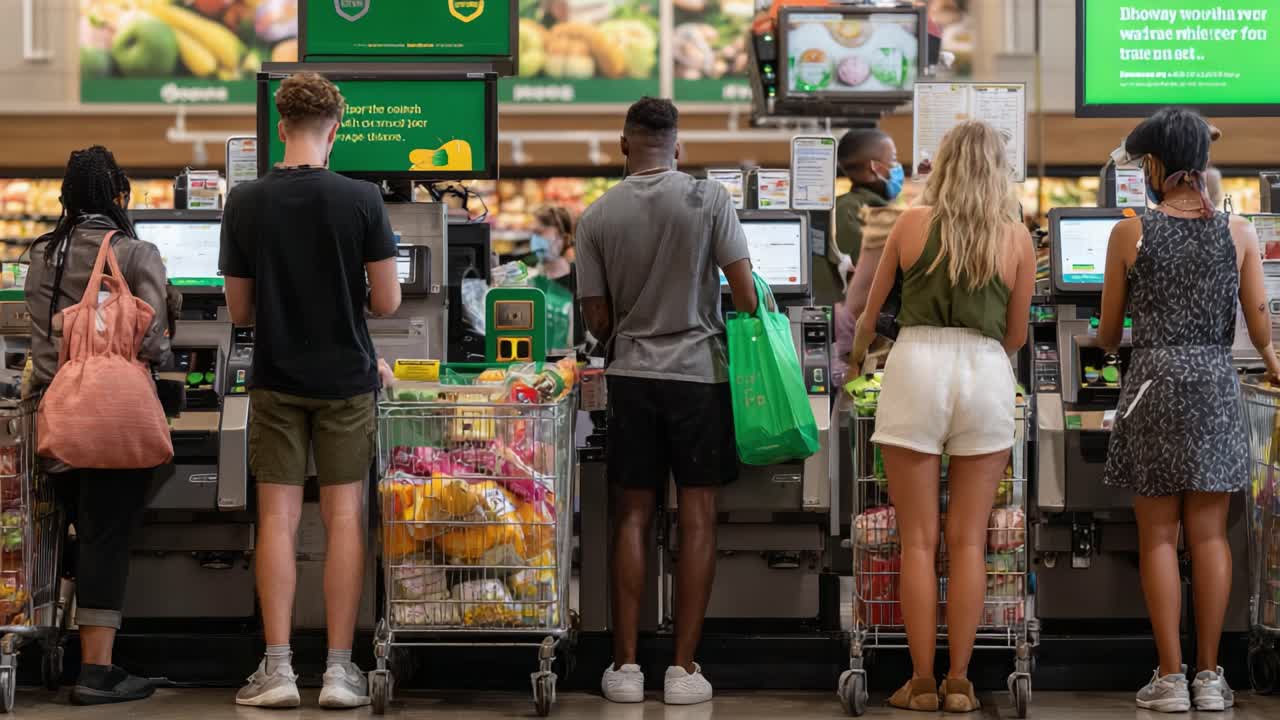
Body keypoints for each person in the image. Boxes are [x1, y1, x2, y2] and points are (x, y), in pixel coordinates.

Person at [219, 72, 402, 710]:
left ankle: (276, 670)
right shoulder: (361, 199)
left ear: (279, 127)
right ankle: (340, 672)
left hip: (275, 380)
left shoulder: (244, 200)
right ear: (336, 128)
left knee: (278, 518)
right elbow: (386, 299)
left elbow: (240, 310)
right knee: (346, 517)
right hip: (347, 381)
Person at [1097, 107, 1280, 713]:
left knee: (1158, 534)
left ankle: (1169, 679)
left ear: (1152, 167)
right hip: (1213, 382)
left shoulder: (1131, 232)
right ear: (1201, 164)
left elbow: (1105, 335)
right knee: (1209, 535)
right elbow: (1260, 331)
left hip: (1151, 382)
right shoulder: (1239, 233)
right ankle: (1209, 676)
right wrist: (1276, 370)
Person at [576, 97, 757, 706]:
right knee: (697, 517)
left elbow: (597, 317)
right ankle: (683, 671)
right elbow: (746, 296)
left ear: (623, 146)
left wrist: (629, 325)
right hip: (700, 377)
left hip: (631, 376)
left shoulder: (597, 215)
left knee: (632, 515)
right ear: (678, 147)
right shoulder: (711, 200)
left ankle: (625, 669)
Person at [850, 120, 1035, 713]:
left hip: (915, 368)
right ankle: (961, 681)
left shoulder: (909, 224)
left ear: (945, 165)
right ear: (998, 171)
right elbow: (1015, 336)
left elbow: (867, 317)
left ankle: (920, 681)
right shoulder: (1017, 238)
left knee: (918, 541)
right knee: (969, 542)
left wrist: (856, 364)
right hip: (985, 373)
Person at [24, 146, 170, 705]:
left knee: (58, 533)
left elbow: (42, 345)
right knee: (106, 534)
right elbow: (154, 342)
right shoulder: (136, 252)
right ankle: (98, 671)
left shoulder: (44, 255)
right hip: (112, 417)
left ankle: (50, 645)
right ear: (117, 195)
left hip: (54, 417)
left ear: (66, 198)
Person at [831, 128, 903, 382]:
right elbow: (864, 286)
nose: (897, 168)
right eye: (893, 159)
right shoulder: (868, 213)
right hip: (862, 343)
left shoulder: (841, 206)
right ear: (875, 167)